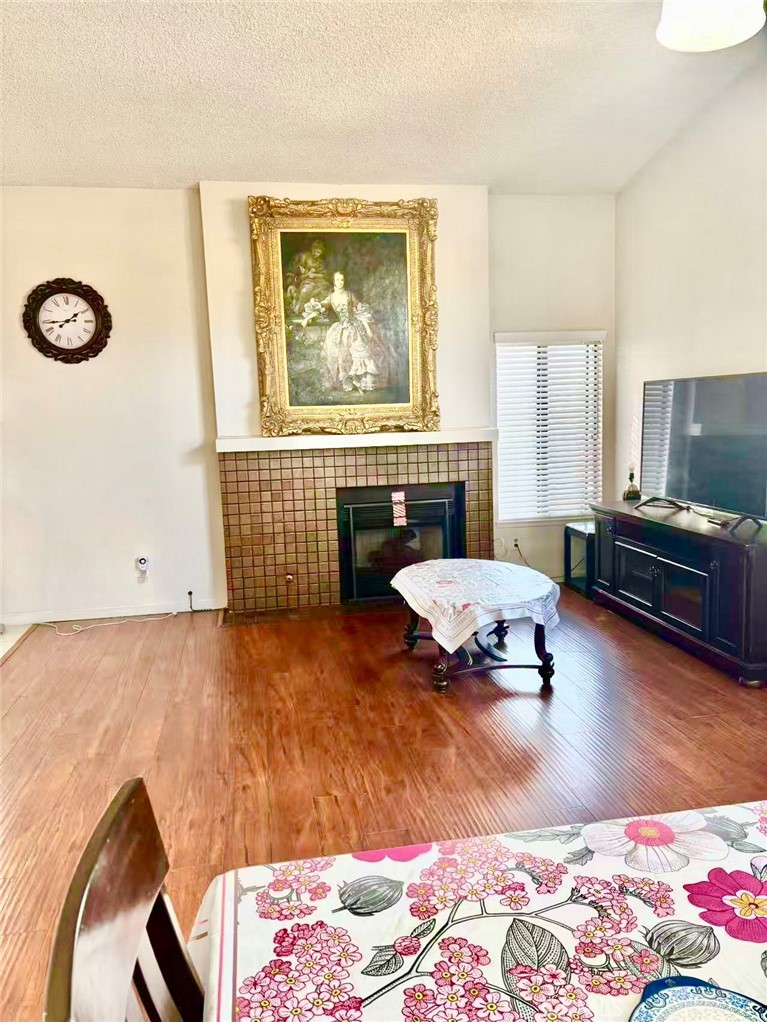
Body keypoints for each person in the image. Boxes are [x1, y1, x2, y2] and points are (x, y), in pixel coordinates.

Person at [303, 270, 395, 395]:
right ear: (334, 282)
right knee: (339, 352)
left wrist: (367, 327)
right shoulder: (331, 297)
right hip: (340, 328)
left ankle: (362, 382)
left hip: (354, 326)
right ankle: (348, 383)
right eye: (337, 280)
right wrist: (307, 318)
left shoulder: (349, 295)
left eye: (342, 280)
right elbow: (319, 309)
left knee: (361, 350)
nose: (340, 282)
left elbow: (360, 310)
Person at [284, 240, 330, 317]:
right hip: (304, 280)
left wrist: (314, 275)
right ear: (312, 249)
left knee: (325, 287)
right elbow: (297, 270)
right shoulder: (305, 257)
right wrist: (306, 273)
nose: (316, 254)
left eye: (318, 252)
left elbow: (323, 275)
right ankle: (298, 307)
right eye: (315, 251)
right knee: (307, 289)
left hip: (317, 280)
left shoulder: (320, 261)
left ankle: (314, 310)